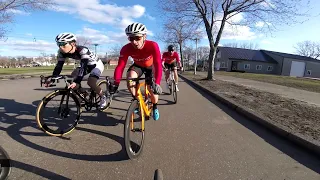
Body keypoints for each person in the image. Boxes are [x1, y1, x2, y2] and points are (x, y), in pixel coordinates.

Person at [110, 22, 163, 120]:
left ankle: (155, 106)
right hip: (138, 66)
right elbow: (120, 66)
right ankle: (137, 101)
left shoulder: (152, 45)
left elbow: (158, 64)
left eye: (137, 38)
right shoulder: (126, 48)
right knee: (130, 78)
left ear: (144, 36)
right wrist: (116, 83)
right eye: (131, 38)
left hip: (150, 67)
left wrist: (158, 82)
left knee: (152, 91)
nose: (134, 42)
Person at [49, 32, 107, 108]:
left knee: (91, 82)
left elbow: (83, 66)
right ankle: (83, 93)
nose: (60, 47)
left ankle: (103, 96)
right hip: (86, 65)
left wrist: (77, 82)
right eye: (58, 44)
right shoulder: (61, 52)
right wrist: (52, 78)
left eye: (63, 44)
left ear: (73, 44)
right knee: (71, 78)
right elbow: (59, 66)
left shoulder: (83, 50)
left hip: (96, 65)